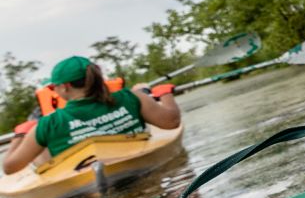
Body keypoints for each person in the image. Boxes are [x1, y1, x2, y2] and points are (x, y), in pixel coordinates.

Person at [2, 57, 180, 175]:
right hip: (137, 170)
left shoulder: (49, 123)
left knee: (40, 153)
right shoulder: (131, 97)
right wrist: (165, 94)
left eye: (52, 87)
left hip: (79, 184)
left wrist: (19, 135)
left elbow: (10, 167)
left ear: (64, 87)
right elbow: (171, 121)